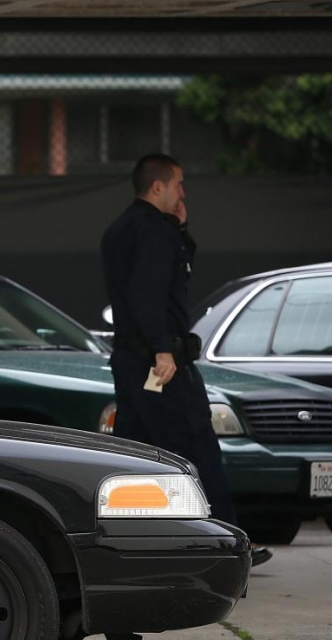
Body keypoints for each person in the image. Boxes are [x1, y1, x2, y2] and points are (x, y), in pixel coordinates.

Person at [100, 153, 272, 567]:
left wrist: (179, 228)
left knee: (135, 451)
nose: (183, 192)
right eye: (178, 184)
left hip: (130, 360)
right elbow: (151, 294)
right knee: (196, 446)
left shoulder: (119, 230)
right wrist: (163, 349)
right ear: (157, 187)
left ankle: (126, 543)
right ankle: (226, 545)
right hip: (163, 363)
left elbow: (150, 285)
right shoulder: (154, 232)